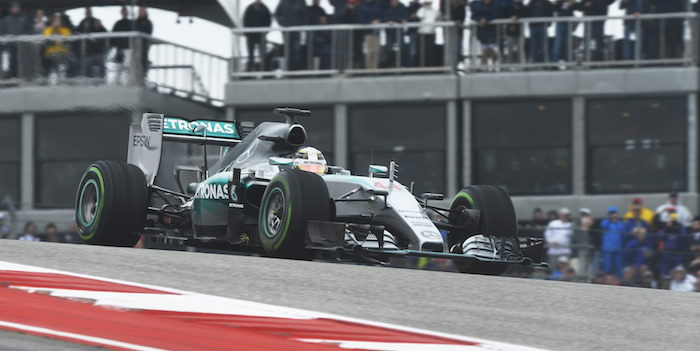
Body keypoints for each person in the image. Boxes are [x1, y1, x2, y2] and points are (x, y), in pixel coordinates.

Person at [1, 1, 32, 78]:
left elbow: (30, 30)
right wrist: (6, 37)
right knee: (8, 62)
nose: (15, 9)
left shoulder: (24, 19)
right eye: (13, 7)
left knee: (20, 62)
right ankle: (7, 76)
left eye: (16, 7)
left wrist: (23, 36)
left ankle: (20, 76)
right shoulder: (5, 20)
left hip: (21, 46)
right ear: (10, 9)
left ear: (19, 8)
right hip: (8, 46)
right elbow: (1, 32)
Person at [275, 0, 308, 70]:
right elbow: (277, 14)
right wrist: (283, 24)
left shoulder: (301, 2)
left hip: (297, 31)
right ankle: (289, 69)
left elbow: (305, 15)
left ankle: (296, 69)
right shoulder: (283, 2)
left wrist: (301, 26)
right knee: (288, 50)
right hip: (286, 31)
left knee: (296, 50)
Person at [76, 7, 107, 78]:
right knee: (87, 63)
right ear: (85, 13)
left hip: (99, 53)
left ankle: (102, 80)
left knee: (102, 64)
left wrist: (100, 54)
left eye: (89, 12)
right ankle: (89, 80)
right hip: (88, 52)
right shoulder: (82, 22)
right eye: (87, 12)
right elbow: (78, 32)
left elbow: (105, 36)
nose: (88, 13)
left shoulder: (96, 21)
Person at [243, 0, 272, 72]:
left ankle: (264, 69)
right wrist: (247, 31)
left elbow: (268, 21)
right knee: (250, 54)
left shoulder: (265, 8)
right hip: (251, 35)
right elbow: (245, 21)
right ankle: (249, 69)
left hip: (261, 35)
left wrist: (265, 32)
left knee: (262, 53)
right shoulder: (249, 8)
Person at [657, 212, 689, 277]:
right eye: (670, 221)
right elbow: (660, 237)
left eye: (673, 221)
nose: (672, 223)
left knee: (677, 273)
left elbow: (684, 238)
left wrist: (677, 228)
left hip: (678, 254)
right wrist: (668, 228)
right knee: (666, 274)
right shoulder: (666, 230)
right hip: (667, 254)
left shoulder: (681, 229)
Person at [600, 206, 626, 278]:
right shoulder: (605, 222)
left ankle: (619, 283)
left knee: (618, 269)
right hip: (607, 249)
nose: (613, 215)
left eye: (614, 213)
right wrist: (610, 220)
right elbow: (603, 226)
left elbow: (623, 230)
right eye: (611, 213)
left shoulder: (620, 224)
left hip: (617, 249)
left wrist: (616, 222)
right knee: (607, 268)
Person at [471, 0, 499, 66]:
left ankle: (494, 67)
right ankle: (483, 67)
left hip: (493, 33)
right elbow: (473, 16)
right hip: (482, 33)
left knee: (493, 52)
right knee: (483, 51)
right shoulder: (478, 6)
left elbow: (497, 14)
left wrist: (486, 19)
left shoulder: (495, 5)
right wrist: (480, 19)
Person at [381, 0, 409, 67]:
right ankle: (389, 65)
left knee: (402, 49)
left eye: (395, 1)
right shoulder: (387, 10)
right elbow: (385, 19)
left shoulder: (402, 8)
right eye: (393, 1)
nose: (394, 2)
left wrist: (395, 21)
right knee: (388, 49)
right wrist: (390, 21)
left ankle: (403, 65)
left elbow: (403, 19)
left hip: (399, 32)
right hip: (390, 33)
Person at [499, 0, 526, 64]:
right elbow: (503, 15)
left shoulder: (522, 6)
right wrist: (511, 18)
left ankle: (521, 64)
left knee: (520, 49)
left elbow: (526, 13)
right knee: (509, 49)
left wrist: (517, 17)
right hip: (509, 31)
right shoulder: (508, 6)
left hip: (520, 31)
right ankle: (510, 64)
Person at [358, 0, 382, 69]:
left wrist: (379, 21)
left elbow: (382, 16)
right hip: (367, 34)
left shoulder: (378, 6)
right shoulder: (362, 8)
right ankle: (369, 70)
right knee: (369, 53)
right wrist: (371, 22)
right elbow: (361, 21)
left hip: (376, 33)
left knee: (376, 52)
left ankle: (375, 69)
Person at [416, 0, 440, 66]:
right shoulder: (421, 10)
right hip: (422, 33)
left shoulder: (435, 11)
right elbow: (420, 15)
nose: (427, 4)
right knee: (422, 51)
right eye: (426, 3)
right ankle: (421, 65)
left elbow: (438, 17)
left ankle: (430, 65)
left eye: (428, 3)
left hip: (431, 33)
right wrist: (424, 8)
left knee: (430, 51)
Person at [134, 6, 153, 77]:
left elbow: (148, 33)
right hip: (135, 46)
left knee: (143, 61)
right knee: (135, 61)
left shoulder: (148, 22)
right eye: (139, 11)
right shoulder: (135, 22)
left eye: (142, 11)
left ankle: (143, 76)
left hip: (144, 45)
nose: (140, 12)